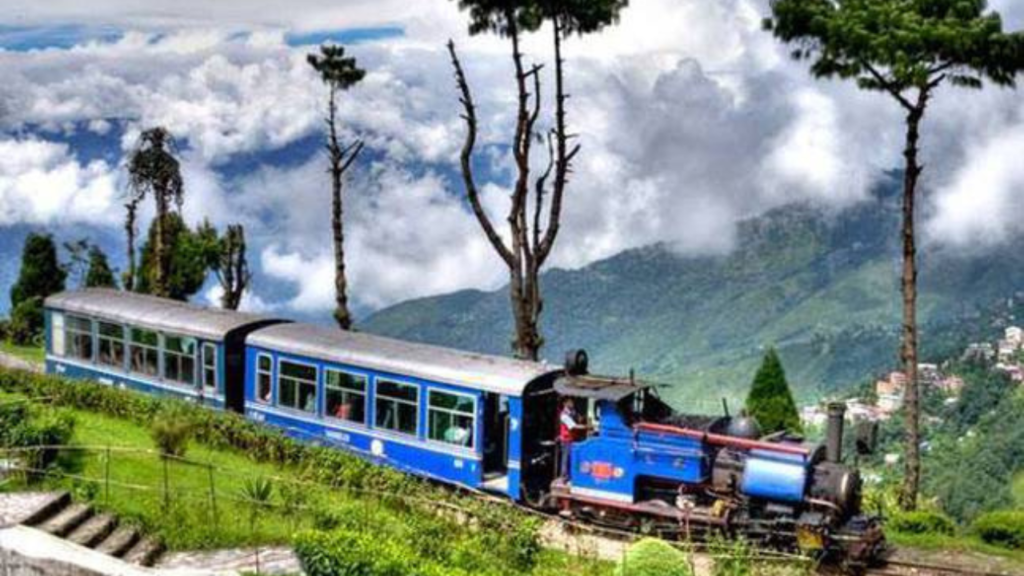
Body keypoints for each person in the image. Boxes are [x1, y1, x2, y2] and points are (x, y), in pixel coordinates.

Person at [558, 398, 583, 480]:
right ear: (565, 404)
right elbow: (573, 426)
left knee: (570, 457)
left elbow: (578, 419)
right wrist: (588, 427)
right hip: (566, 440)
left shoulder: (572, 412)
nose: (572, 403)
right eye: (570, 402)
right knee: (566, 458)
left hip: (571, 438)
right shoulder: (564, 415)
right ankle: (564, 476)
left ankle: (569, 474)